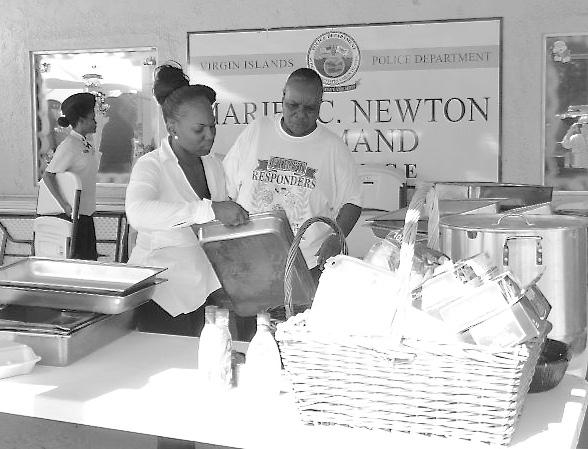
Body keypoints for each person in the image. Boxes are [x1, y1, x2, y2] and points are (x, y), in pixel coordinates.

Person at [125, 63, 249, 338]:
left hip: (204, 290)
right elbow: (138, 213)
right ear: (172, 126)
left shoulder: (213, 166)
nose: (210, 135)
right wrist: (209, 209)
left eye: (213, 127)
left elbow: (217, 228)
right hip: (161, 296)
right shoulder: (151, 166)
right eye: (199, 129)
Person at [223, 67, 363, 284]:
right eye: (293, 105)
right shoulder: (257, 131)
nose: (300, 114)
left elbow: (352, 202)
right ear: (282, 98)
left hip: (307, 264)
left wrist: (337, 237)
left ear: (320, 106)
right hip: (249, 259)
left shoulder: (333, 148)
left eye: (310, 108)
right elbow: (226, 188)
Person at [42, 92, 99, 260]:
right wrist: (65, 205)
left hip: (86, 213)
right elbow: (48, 175)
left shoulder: (84, 143)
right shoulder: (69, 145)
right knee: (79, 262)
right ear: (81, 121)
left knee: (90, 261)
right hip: (75, 215)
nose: (95, 122)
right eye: (92, 118)